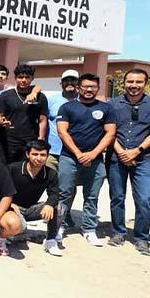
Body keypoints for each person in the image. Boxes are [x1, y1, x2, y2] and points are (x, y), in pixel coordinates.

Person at [106, 68, 150, 254]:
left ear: (145, 83)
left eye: (139, 82)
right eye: (130, 81)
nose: (134, 85)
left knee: (144, 199)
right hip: (116, 157)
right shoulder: (112, 104)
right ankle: (118, 232)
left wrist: (136, 151)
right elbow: (108, 131)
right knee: (117, 197)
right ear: (124, 83)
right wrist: (122, 152)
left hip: (144, 159)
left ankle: (141, 238)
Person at [56, 73, 116, 247]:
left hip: (95, 160)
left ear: (98, 88)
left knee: (91, 196)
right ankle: (59, 227)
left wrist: (93, 153)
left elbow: (110, 133)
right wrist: (78, 154)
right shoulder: (67, 107)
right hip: (69, 158)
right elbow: (62, 132)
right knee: (64, 194)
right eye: (85, 87)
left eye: (93, 87)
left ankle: (89, 229)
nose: (89, 90)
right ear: (78, 88)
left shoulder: (106, 108)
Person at [8, 140, 63, 256]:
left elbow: (55, 193)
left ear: (47, 156)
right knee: (21, 227)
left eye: (43, 155)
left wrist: (49, 205)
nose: (39, 158)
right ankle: (7, 234)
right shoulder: (13, 169)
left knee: (58, 208)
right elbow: (0, 191)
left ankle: (50, 241)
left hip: (31, 208)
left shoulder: (50, 173)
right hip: (12, 208)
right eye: (35, 154)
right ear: (27, 154)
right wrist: (10, 204)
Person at [0, 64, 49, 164]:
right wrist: (2, 122)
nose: (23, 80)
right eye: (20, 77)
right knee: (6, 171)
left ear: (32, 78)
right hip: (8, 142)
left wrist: (41, 138)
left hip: (30, 142)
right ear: (15, 78)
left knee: (24, 171)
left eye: (27, 77)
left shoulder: (40, 97)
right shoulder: (6, 96)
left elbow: (43, 119)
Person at [46, 70, 80, 171]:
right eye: (66, 80)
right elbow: (41, 121)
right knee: (50, 183)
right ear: (61, 83)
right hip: (53, 152)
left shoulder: (84, 101)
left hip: (75, 152)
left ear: (79, 82)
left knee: (69, 185)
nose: (69, 83)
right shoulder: (51, 100)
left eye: (73, 80)